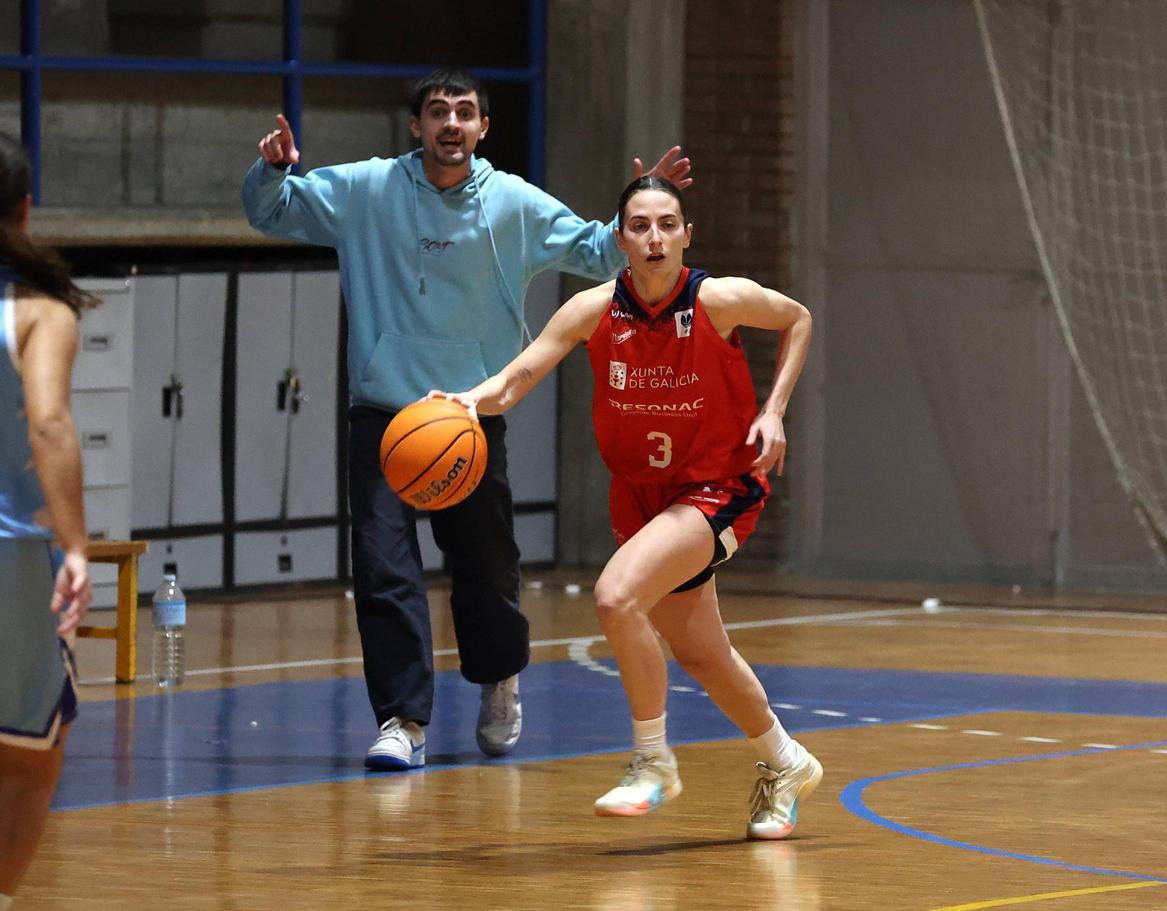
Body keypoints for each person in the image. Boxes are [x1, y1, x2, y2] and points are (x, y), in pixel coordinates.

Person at [242, 68, 692, 769]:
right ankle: (402, 719)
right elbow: (274, 210)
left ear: (484, 128)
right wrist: (271, 171)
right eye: (436, 111)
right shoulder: (367, 189)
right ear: (416, 126)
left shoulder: (512, 201)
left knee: (486, 564)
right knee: (383, 565)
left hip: (471, 413)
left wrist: (644, 203)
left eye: (465, 112)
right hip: (387, 415)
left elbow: (600, 252)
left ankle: (498, 678)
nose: (451, 122)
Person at [431, 175, 819, 839]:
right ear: (620, 239)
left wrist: (774, 410)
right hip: (640, 496)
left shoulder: (718, 300)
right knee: (703, 654)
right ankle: (788, 762)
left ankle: (652, 760)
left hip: (716, 490)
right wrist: (467, 400)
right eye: (639, 224)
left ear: (687, 234)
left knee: (615, 596)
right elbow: (520, 374)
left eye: (668, 222)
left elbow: (798, 318)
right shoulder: (594, 310)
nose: (655, 236)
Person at [0, 131, 93, 906]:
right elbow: (51, 424)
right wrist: (75, 545)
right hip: (10, 556)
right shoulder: (37, 309)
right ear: (25, 207)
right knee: (30, 757)